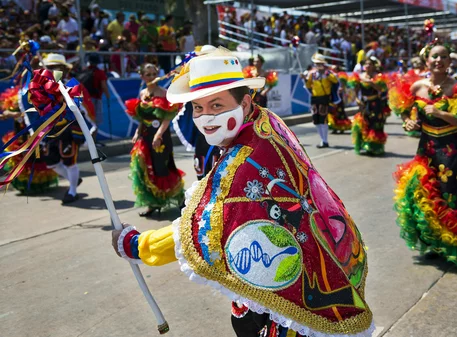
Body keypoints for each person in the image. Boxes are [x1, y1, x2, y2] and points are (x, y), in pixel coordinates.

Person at [111, 47, 373, 337]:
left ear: (245, 103)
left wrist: (136, 245)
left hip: (297, 283)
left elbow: (201, 230)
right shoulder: (266, 121)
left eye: (217, 106)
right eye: (198, 108)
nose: (206, 117)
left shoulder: (243, 160)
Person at [391, 41, 457, 263]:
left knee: (449, 193)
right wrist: (407, 122)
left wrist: (440, 113)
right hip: (426, 148)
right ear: (427, 61)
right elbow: (404, 111)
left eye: (443, 57)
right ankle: (433, 242)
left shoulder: (455, 86)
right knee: (427, 193)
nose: (439, 60)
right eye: (434, 57)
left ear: (450, 61)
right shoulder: (417, 86)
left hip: (451, 149)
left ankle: (450, 244)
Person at [126, 63, 185, 217]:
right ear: (142, 77)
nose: (152, 77)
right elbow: (141, 118)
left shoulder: (164, 93)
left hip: (160, 136)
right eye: (149, 74)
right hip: (145, 136)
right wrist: (136, 133)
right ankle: (153, 203)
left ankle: (179, 199)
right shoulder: (143, 93)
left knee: (162, 168)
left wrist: (158, 135)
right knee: (145, 168)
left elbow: (166, 118)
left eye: (154, 74)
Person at [41, 53, 84, 203]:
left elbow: (78, 107)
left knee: (69, 161)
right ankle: (74, 180)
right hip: (51, 130)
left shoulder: (71, 85)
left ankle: (72, 191)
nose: (52, 70)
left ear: (63, 70)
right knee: (51, 162)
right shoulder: (41, 88)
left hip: (68, 130)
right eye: (49, 68)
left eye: (55, 67)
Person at [0, 87, 58, 193]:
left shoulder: (36, 97)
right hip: (21, 133)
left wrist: (11, 114)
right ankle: (26, 186)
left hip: (32, 134)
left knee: (34, 159)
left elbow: (28, 113)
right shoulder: (19, 95)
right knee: (22, 160)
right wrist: (8, 114)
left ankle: (36, 185)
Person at [350, 56, 388, 156]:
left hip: (376, 103)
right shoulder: (359, 76)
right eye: (366, 64)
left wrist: (371, 82)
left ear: (373, 66)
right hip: (364, 104)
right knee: (364, 123)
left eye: (370, 64)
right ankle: (366, 145)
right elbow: (356, 90)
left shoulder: (377, 76)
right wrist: (357, 100)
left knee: (376, 124)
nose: (368, 66)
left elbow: (381, 89)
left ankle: (375, 147)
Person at [304, 53, 338, 148]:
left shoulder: (328, 74)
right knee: (316, 120)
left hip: (324, 98)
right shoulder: (312, 74)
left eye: (320, 64)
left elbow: (335, 81)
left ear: (323, 64)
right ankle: (322, 140)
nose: (318, 66)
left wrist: (326, 73)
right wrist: (305, 79)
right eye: (316, 64)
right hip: (315, 99)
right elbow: (307, 85)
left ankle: (325, 140)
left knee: (323, 120)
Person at [84, 53, 110, 143]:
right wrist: (108, 95)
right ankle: (93, 141)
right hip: (95, 99)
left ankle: (87, 140)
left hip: (83, 100)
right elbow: (103, 86)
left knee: (86, 120)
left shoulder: (84, 71)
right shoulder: (100, 72)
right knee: (95, 121)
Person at [328, 69, 352, 134]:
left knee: (340, 112)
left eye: (334, 68)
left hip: (339, 98)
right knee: (332, 112)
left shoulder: (341, 77)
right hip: (332, 97)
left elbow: (343, 87)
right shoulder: (330, 77)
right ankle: (334, 127)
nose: (332, 70)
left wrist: (341, 90)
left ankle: (342, 127)